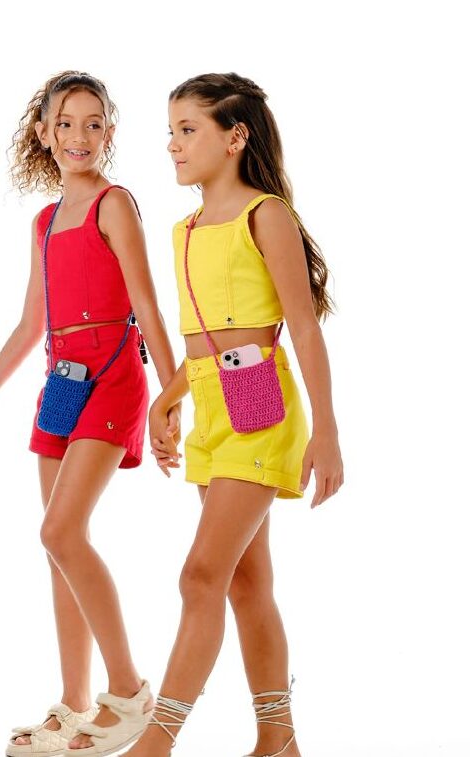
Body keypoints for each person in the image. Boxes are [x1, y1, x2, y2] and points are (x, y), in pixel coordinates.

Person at [0, 71, 179, 757]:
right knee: (58, 546)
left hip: (113, 375)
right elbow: (29, 324)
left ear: (109, 132)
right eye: (66, 123)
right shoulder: (43, 223)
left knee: (61, 529)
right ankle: (75, 704)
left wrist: (169, 399)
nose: (80, 135)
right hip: (61, 381)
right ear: (43, 133)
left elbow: (148, 305)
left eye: (93, 123)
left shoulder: (114, 204)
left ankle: (128, 693)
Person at [118, 72, 344, 757]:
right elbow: (204, 341)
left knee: (200, 575)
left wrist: (327, 432)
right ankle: (278, 740)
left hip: (262, 406)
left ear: (235, 136)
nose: (173, 144)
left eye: (188, 130)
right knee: (246, 582)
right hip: (212, 410)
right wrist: (168, 396)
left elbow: (301, 327)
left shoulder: (265, 215)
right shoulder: (183, 230)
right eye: (170, 131)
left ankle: (157, 741)